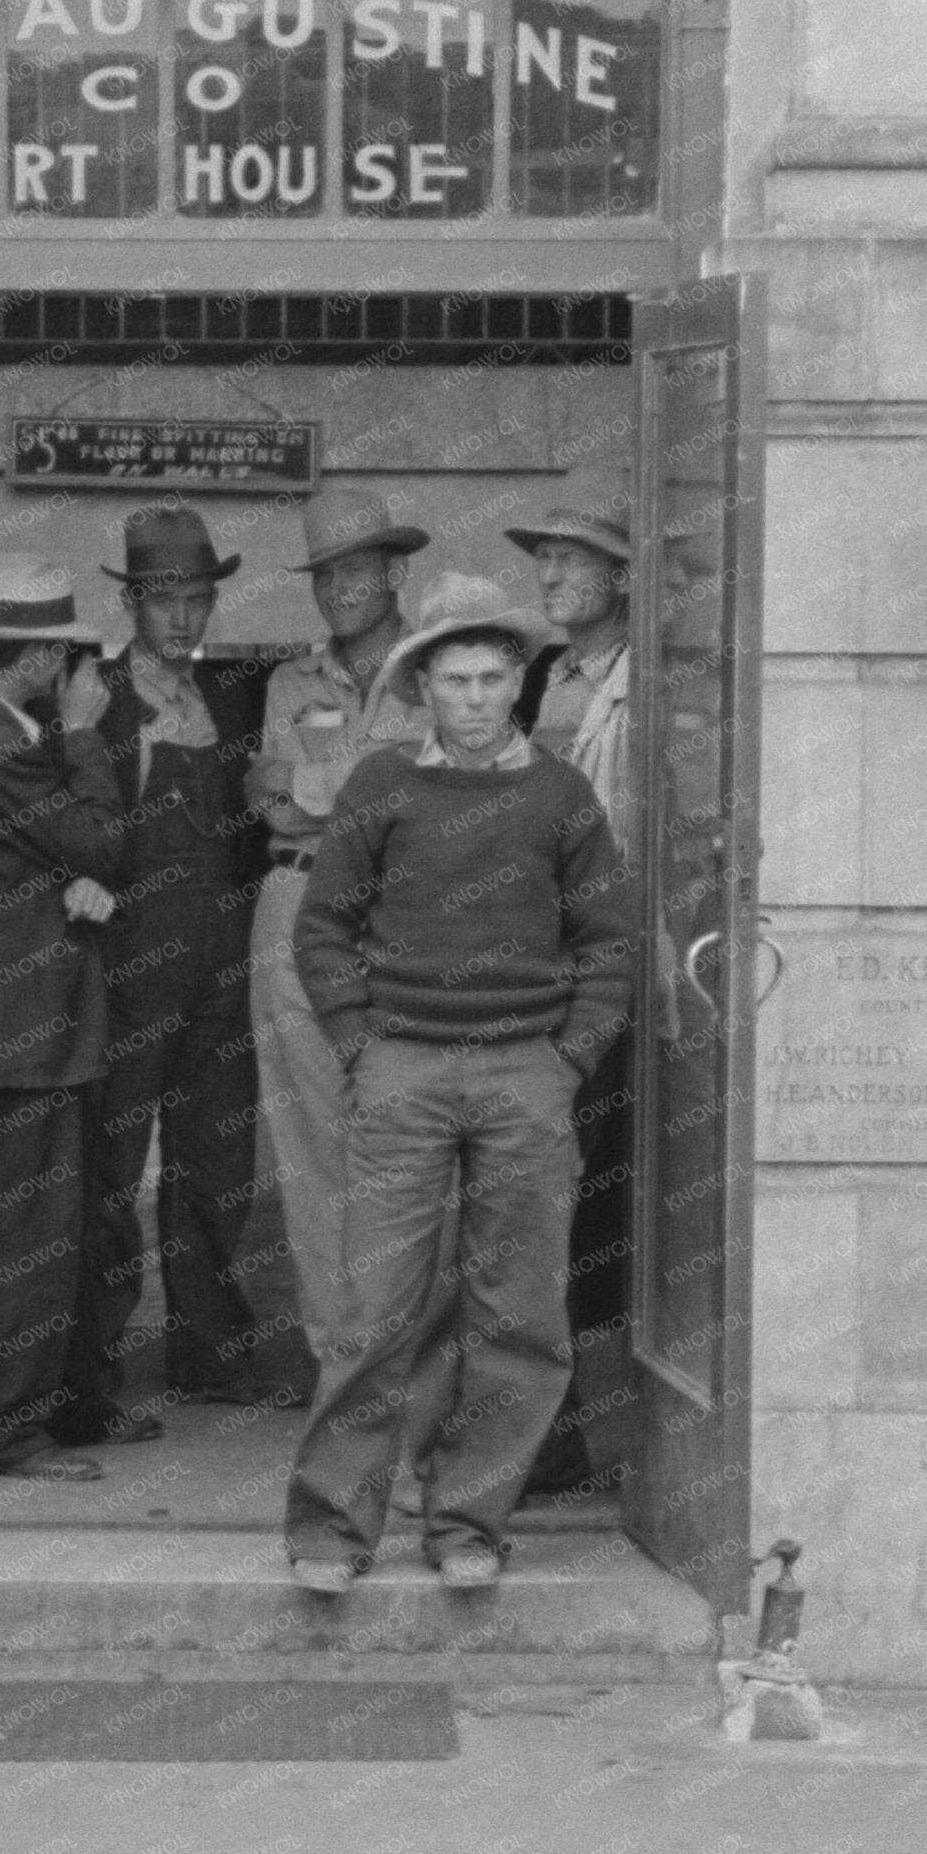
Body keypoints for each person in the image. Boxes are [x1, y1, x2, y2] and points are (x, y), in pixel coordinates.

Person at [284, 572, 635, 1595]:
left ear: (517, 679)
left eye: (491, 678)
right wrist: (358, 1041)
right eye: (454, 680)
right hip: (402, 1067)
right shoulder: (381, 786)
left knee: (518, 1313)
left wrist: (569, 1053)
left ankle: (469, 1521)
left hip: (527, 1073)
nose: (475, 698)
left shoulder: (561, 795)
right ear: (420, 685)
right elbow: (323, 928)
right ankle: (329, 1530)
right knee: (372, 1310)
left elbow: (606, 939)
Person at [0, 554, 143, 1480]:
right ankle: (0, 1434)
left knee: (61, 1228)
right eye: (65, 651)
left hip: (37, 1022)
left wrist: (76, 876)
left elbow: (52, 858)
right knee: (24, 1240)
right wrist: (84, 738)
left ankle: (66, 1407)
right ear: (39, 655)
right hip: (23, 1031)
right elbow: (99, 839)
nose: (75, 671)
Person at [81, 506, 310, 1414]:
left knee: (216, 1167)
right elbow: (63, 828)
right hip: (131, 963)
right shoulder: (93, 696)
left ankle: (210, 1355)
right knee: (107, 1166)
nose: (181, 618)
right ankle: (90, 1368)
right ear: (132, 602)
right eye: (163, 600)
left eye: (197, 599)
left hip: (224, 953)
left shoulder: (233, 696)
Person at [244, 488, 439, 1364]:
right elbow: (273, 806)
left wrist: (322, 784)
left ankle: (414, 1367)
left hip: (404, 916)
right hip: (295, 906)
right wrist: (361, 783)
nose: (335, 590)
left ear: (394, 572)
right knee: (310, 1150)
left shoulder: (441, 671)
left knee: (408, 1139)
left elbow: (429, 809)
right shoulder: (293, 678)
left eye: (353, 571)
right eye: (323, 575)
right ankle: (343, 1370)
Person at [504, 467, 640, 1502]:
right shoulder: (548, 674)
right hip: (530, 970)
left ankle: (571, 1439)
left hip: (599, 976)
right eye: (541, 556)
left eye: (568, 556)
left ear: (619, 574)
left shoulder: (647, 679)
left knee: (580, 1210)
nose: (547, 572)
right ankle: (536, 1434)